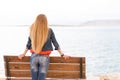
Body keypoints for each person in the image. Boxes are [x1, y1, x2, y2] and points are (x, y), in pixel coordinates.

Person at [18, 14, 70, 80]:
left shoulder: (32, 30)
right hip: (44, 58)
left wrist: (23, 54)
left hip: (33, 57)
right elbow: (55, 43)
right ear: (45, 21)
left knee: (34, 78)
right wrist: (62, 55)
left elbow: (28, 44)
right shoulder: (49, 30)